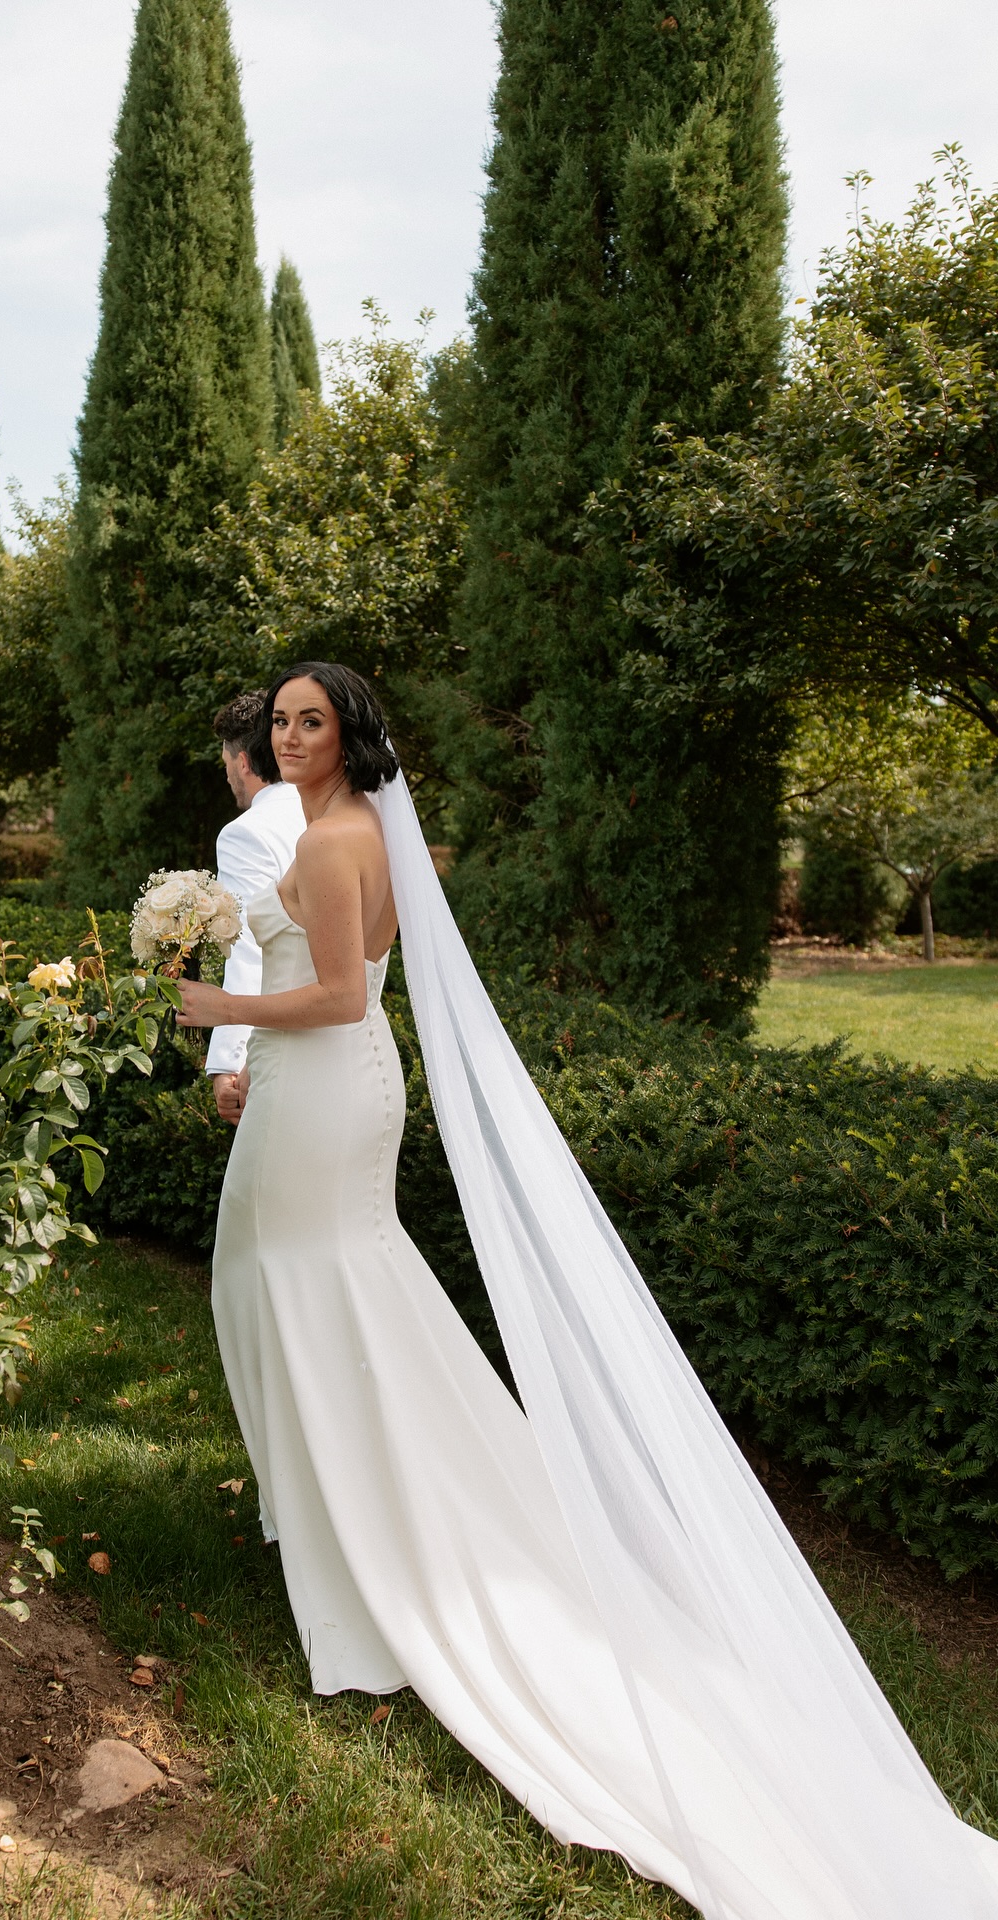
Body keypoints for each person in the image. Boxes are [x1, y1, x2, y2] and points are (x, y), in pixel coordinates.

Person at [176, 660, 998, 1920]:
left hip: (324, 1087)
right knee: (303, 1288)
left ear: (350, 737)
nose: (289, 738)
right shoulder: (354, 830)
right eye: (281, 722)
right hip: (324, 1094)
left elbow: (341, 996)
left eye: (312, 721)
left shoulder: (338, 844)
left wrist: (212, 999)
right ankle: (355, 1508)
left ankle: (372, 1541)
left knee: (310, 1287)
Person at [205, 694, 305, 1127]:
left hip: (281, 1042)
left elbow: (248, 947)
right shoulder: (338, 816)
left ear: (242, 762)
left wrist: (228, 1061)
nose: (228, 776)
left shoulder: (245, 834)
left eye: (227, 764)